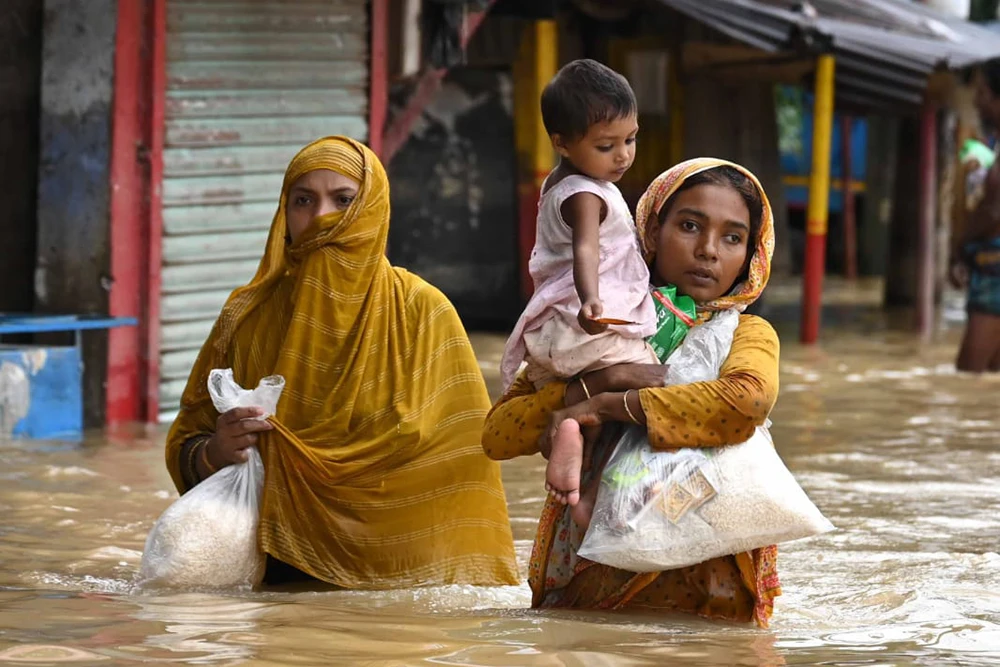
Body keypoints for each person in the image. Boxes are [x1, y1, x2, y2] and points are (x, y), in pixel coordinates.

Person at [165, 136, 519, 588]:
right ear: (284, 213)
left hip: (398, 593)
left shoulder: (423, 313)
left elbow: (462, 470)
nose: (320, 219)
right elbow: (187, 441)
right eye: (303, 200)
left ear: (372, 209)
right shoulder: (246, 317)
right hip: (275, 579)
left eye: (344, 200)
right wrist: (215, 453)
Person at [483, 158, 781, 627]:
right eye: (689, 226)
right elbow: (498, 434)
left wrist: (602, 407)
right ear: (651, 230)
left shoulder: (747, 335)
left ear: (751, 255)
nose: (708, 251)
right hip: (593, 567)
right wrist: (598, 380)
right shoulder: (596, 325)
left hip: (709, 577)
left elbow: (743, 403)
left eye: (732, 238)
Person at [499, 59, 656, 522]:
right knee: (653, 381)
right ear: (561, 143)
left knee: (592, 415)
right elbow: (586, 251)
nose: (623, 155)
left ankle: (578, 475)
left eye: (630, 139)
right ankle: (581, 431)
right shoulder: (586, 195)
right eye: (606, 145)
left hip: (553, 329)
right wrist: (592, 300)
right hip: (584, 323)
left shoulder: (558, 184)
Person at [951, 60, 1000, 372]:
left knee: (968, 373)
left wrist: (961, 245)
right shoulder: (990, 147)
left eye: (983, 93)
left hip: (993, 271)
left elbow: (995, 211)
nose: (977, 101)